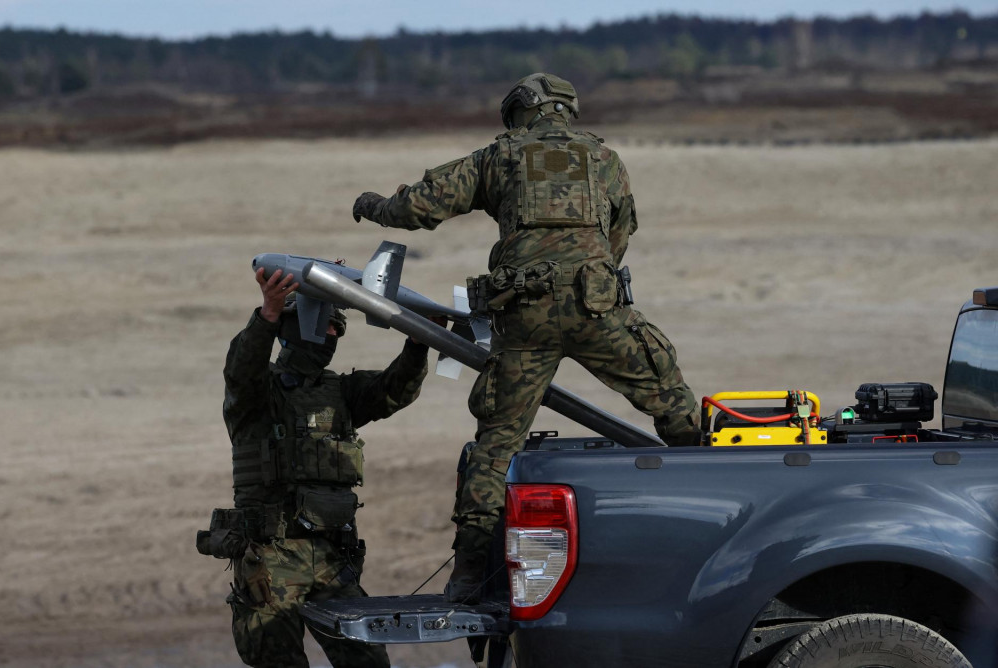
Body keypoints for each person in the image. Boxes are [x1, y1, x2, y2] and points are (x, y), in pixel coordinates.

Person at [351, 72, 701, 602]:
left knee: (497, 443)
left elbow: (420, 206)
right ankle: (719, 502)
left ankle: (469, 573)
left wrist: (374, 205)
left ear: (521, 109)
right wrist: (591, 281)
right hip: (597, 310)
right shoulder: (605, 160)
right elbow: (620, 234)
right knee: (671, 401)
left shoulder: (499, 156)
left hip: (524, 317)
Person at [197, 267, 430, 668]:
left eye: (337, 329)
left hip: (332, 556)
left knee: (367, 660)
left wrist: (418, 343)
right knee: (276, 659)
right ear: (291, 327)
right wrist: (267, 314)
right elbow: (241, 368)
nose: (331, 336)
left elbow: (394, 389)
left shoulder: (340, 392)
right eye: (324, 326)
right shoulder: (256, 394)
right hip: (272, 556)